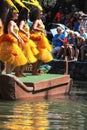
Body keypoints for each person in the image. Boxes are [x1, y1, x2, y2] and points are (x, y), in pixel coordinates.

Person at [0, 7, 27, 76]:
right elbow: (10, 31)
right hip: (10, 43)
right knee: (10, 61)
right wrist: (17, 38)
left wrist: (20, 39)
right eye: (16, 13)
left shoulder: (13, 22)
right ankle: (8, 75)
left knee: (15, 60)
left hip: (13, 43)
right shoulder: (11, 22)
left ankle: (8, 74)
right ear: (12, 14)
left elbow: (16, 33)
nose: (18, 15)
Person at [30, 7, 53, 75]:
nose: (42, 13)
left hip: (42, 39)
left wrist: (43, 32)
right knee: (38, 56)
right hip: (37, 40)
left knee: (41, 57)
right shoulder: (37, 20)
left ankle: (35, 70)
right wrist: (41, 30)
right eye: (40, 12)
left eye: (42, 12)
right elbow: (34, 28)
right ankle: (34, 71)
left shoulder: (40, 20)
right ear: (37, 14)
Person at [17, 8, 39, 76]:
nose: (29, 14)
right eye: (28, 13)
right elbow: (20, 28)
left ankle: (21, 72)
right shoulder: (22, 21)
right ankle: (18, 72)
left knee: (27, 57)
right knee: (23, 57)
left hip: (27, 41)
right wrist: (26, 33)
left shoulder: (26, 22)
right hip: (23, 40)